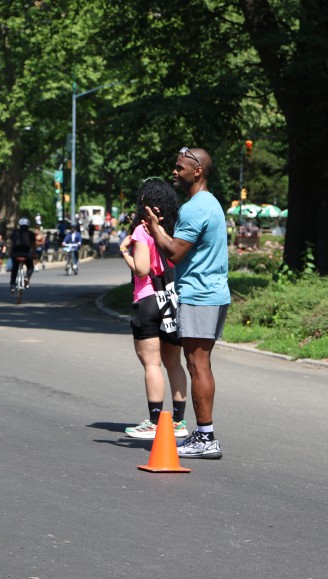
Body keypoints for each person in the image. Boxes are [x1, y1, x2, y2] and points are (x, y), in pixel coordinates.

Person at [143, 147, 230, 459]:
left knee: (197, 364)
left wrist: (155, 229)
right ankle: (204, 434)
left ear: (198, 171)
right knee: (199, 363)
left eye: (180, 168)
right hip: (211, 293)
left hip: (199, 295)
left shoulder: (195, 208)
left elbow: (175, 253)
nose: (175, 172)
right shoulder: (210, 203)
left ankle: (205, 437)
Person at [120, 179, 189, 441]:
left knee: (152, 363)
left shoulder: (142, 230)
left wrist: (124, 252)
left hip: (148, 299)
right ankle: (179, 421)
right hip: (171, 299)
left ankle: (155, 421)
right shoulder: (174, 230)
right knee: (174, 363)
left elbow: (142, 269)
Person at [9, 217, 36, 292]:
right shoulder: (31, 233)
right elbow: (33, 246)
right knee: (30, 267)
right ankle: (27, 277)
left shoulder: (14, 232)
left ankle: (12, 285)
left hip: (16, 253)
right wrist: (34, 254)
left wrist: (10, 253)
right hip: (26, 253)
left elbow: (11, 244)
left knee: (14, 269)